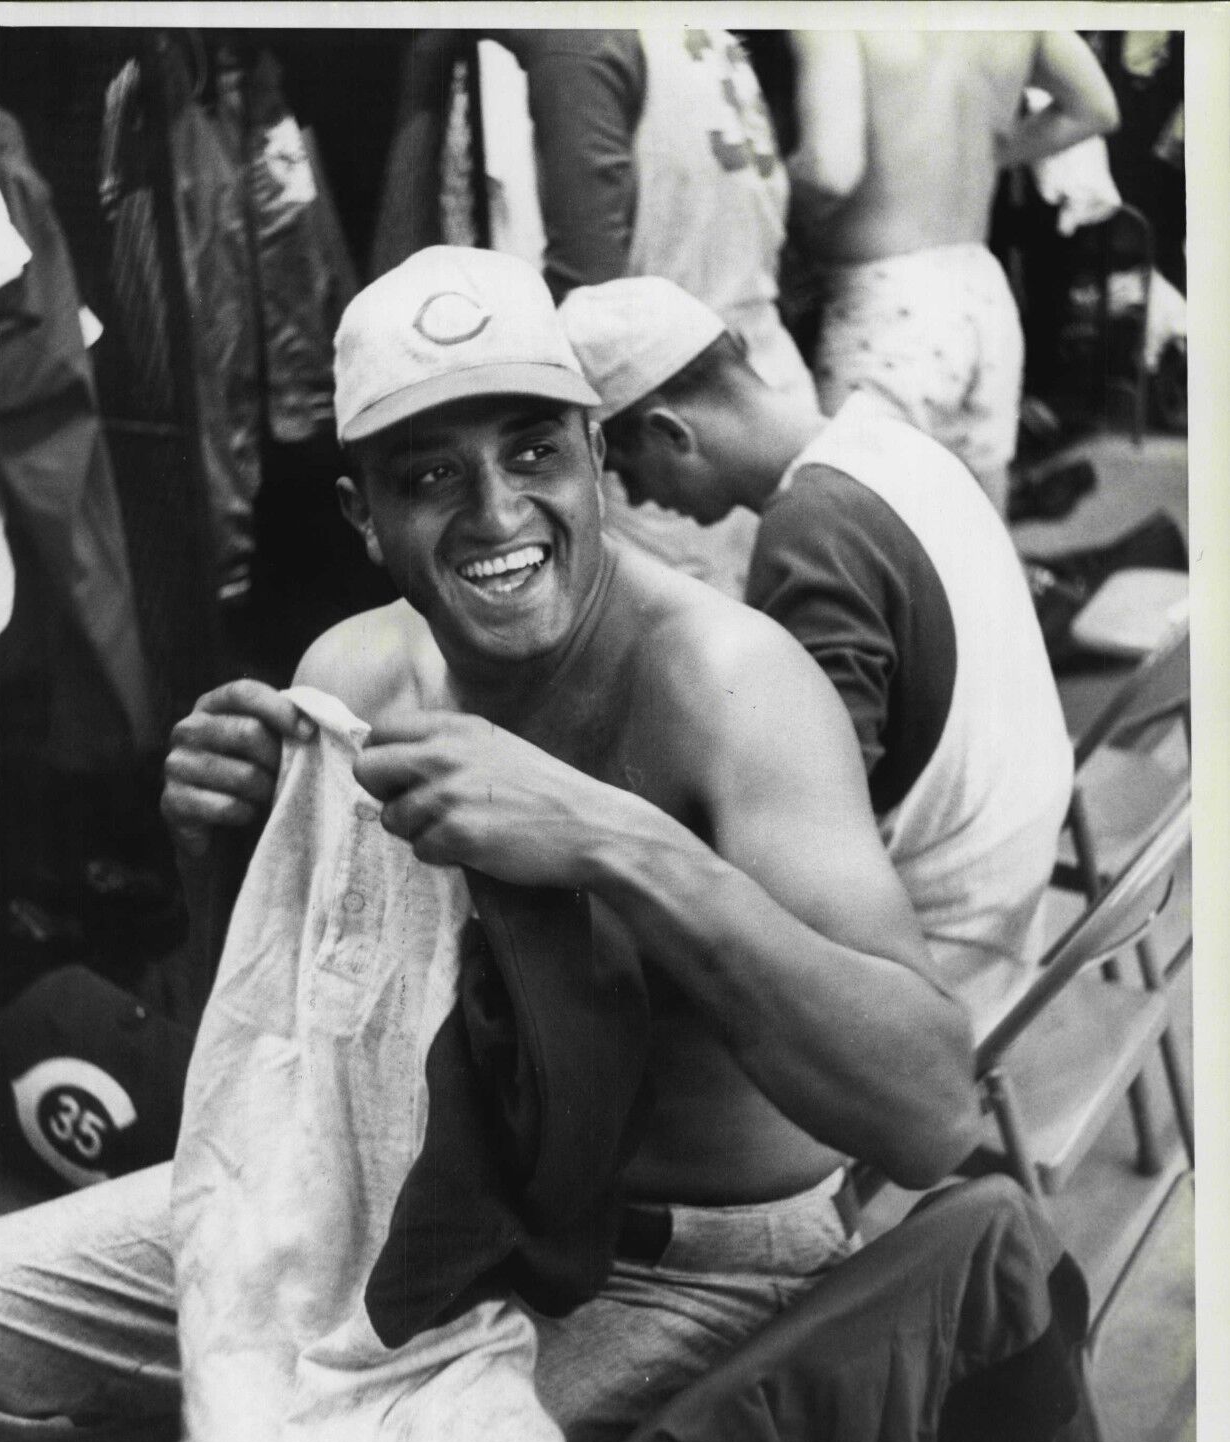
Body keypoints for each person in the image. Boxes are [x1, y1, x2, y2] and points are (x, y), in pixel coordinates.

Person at [0, 247, 976, 1442]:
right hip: (399, 1211)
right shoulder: (354, 670)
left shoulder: (728, 687)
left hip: (672, 1265)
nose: (499, 513)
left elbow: (926, 1114)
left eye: (531, 453)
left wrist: (614, 839)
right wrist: (220, 847)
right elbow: (290, 1038)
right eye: (430, 475)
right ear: (362, 516)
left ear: (596, 458)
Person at [559, 275, 1074, 1029]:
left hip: (950, 944)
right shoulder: (888, 440)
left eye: (623, 469)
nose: (636, 499)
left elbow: (819, 818)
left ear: (673, 432)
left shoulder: (813, 526)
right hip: (1018, 854)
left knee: (618, 984)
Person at [375, 26, 817, 597]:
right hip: (742, 380)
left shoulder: (576, 38)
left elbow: (590, 284)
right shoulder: (693, 28)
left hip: (657, 425)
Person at [788, 30, 1120, 510]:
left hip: (887, 311)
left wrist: (769, 202)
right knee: (977, 539)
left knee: (852, 532)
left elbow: (828, 170)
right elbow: (1096, 107)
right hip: (981, 293)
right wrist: (992, 156)